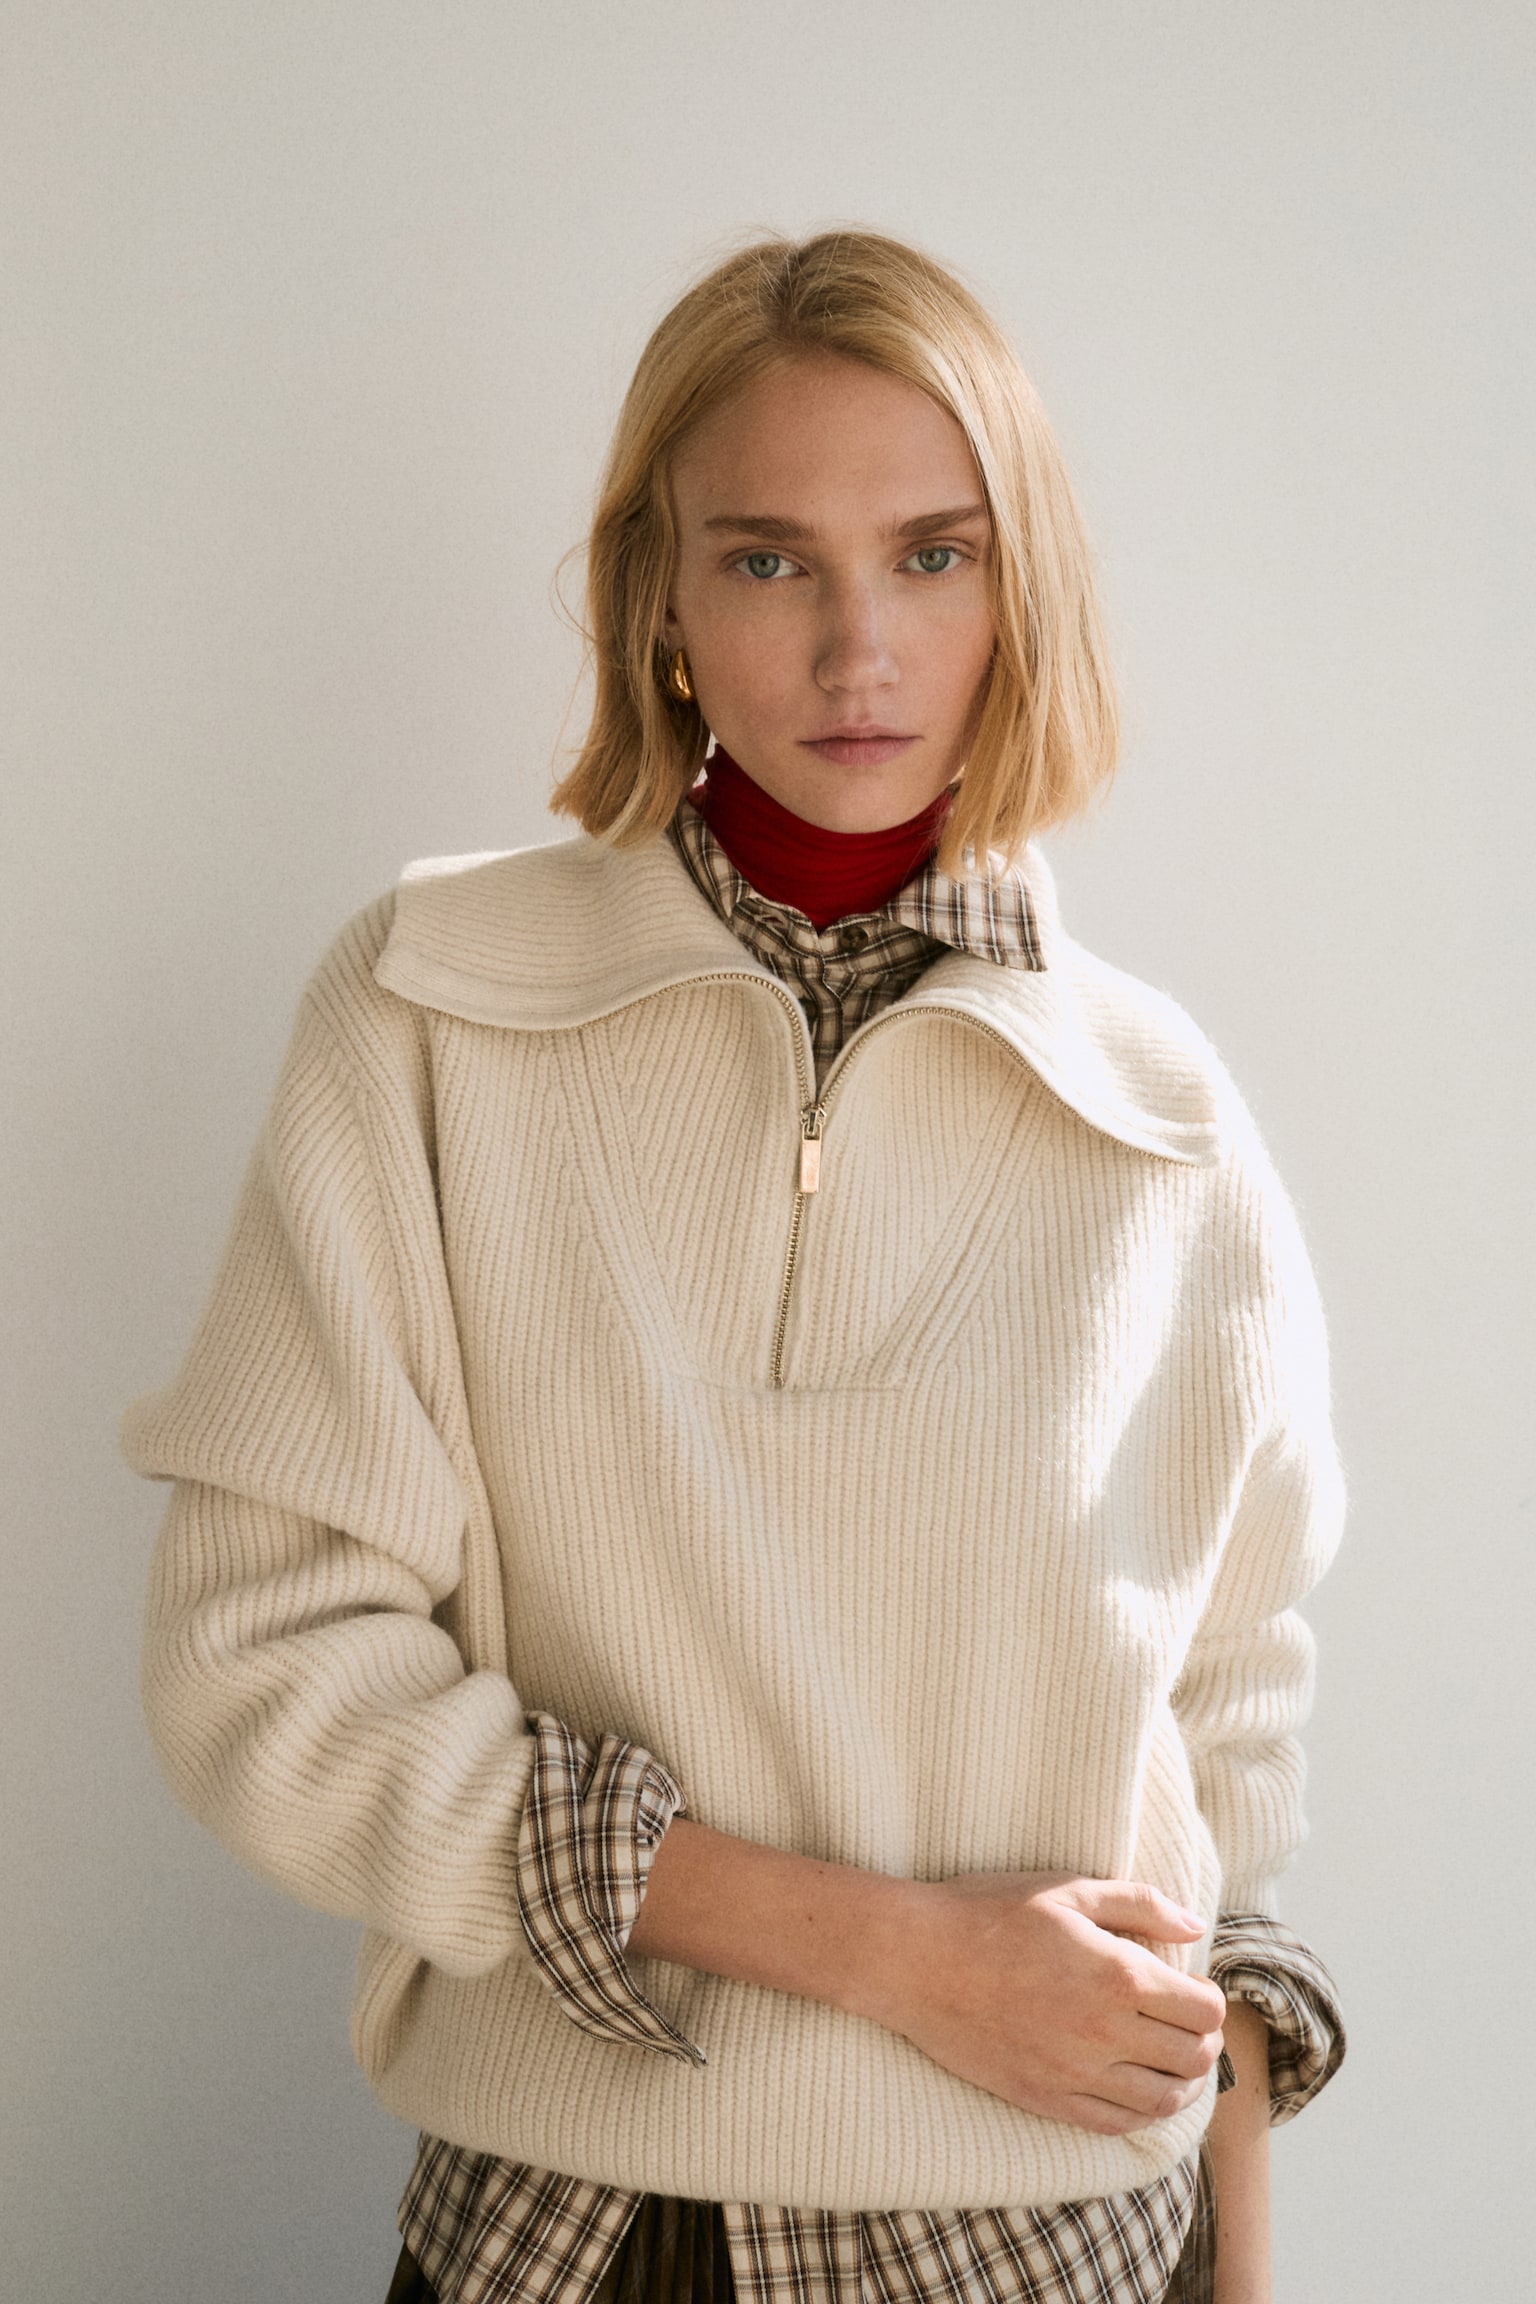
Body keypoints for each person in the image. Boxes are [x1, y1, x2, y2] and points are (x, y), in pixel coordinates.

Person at [123, 230, 1345, 2304]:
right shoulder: (430, 1008)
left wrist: (1243, 2279)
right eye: (770, 559)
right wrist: (901, 1956)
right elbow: (265, 1669)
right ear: (661, 601)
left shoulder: (1162, 1117)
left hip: (1061, 2249)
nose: (859, 649)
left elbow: (1226, 1764)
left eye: (935, 557)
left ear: (1020, 593)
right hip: (588, 2239)